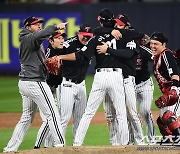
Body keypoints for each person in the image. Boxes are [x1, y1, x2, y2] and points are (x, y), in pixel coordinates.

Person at [56, 8, 129, 146]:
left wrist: (60, 56)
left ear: (100, 21)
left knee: (88, 113)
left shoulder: (95, 37)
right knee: (120, 113)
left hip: (100, 76)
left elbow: (81, 55)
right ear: (113, 21)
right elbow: (134, 35)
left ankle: (77, 144)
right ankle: (124, 145)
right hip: (116, 75)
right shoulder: (122, 34)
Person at [3, 16, 67, 152]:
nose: (39, 26)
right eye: (35, 24)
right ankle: (61, 145)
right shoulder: (28, 38)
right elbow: (40, 35)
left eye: (39, 24)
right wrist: (55, 27)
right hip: (34, 82)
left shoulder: (30, 40)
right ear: (28, 27)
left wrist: (45, 66)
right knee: (52, 113)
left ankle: (10, 149)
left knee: (26, 118)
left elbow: (38, 40)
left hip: (25, 82)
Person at [96, 14, 145, 145]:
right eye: (115, 24)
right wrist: (110, 30)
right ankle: (115, 143)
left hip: (127, 79)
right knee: (111, 115)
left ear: (126, 26)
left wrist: (108, 50)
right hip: (113, 78)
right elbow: (97, 31)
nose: (117, 26)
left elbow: (128, 54)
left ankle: (141, 142)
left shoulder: (131, 37)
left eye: (120, 24)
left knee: (132, 112)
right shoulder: (114, 35)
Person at [59, 23, 93, 143]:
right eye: (84, 35)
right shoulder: (69, 44)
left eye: (88, 36)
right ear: (79, 33)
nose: (86, 38)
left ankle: (77, 145)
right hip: (68, 84)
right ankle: (59, 145)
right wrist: (61, 57)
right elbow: (57, 55)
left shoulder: (91, 44)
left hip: (81, 85)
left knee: (79, 118)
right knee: (64, 118)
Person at [34, 31, 67, 148]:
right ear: (51, 41)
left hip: (53, 89)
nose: (62, 40)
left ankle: (47, 147)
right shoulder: (48, 52)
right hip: (44, 88)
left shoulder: (61, 50)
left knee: (52, 119)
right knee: (50, 119)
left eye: (62, 37)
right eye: (58, 38)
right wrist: (47, 66)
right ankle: (37, 147)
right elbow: (42, 66)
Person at [150, 32, 180, 144]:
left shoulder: (166, 55)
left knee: (168, 116)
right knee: (162, 120)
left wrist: (175, 89)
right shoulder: (157, 56)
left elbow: (175, 73)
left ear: (163, 44)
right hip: (169, 91)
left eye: (156, 44)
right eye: (151, 43)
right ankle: (169, 139)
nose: (152, 46)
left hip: (177, 90)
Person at [135, 37, 156, 144]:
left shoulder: (143, 50)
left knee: (146, 111)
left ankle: (152, 140)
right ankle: (137, 142)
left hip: (145, 84)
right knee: (132, 114)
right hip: (129, 85)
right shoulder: (122, 50)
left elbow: (157, 59)